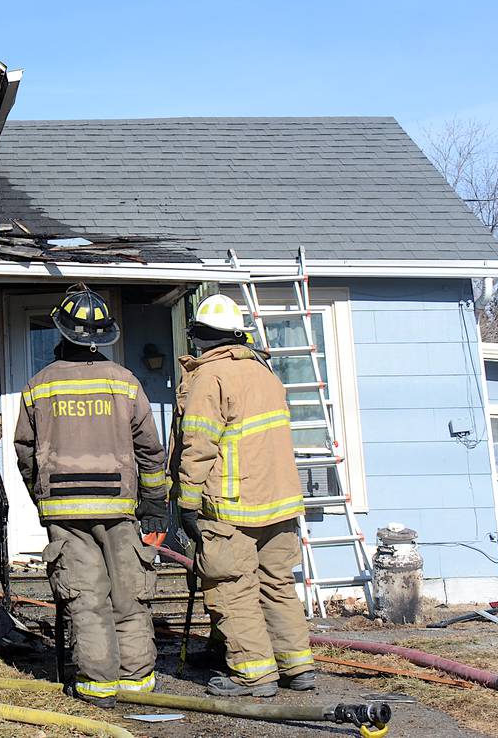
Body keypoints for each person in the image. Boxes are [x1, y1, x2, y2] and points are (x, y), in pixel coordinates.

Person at [14, 285, 170, 708]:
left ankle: (98, 687)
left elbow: (25, 452)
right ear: (105, 338)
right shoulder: (125, 383)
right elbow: (151, 452)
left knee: (86, 601)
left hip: (65, 512)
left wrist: (41, 498)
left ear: (60, 333)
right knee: (129, 595)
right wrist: (156, 506)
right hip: (121, 509)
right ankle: (137, 684)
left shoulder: (38, 385)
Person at [169, 293, 316, 697]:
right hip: (280, 503)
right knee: (277, 584)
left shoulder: (210, 378)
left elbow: (198, 445)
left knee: (232, 588)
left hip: (232, 506)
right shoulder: (265, 373)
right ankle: (297, 666)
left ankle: (253, 674)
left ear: (199, 336)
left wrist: (186, 500)